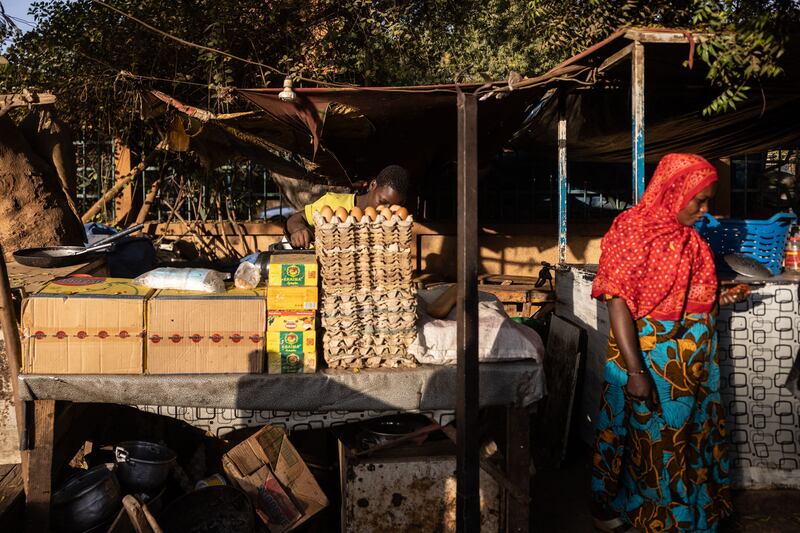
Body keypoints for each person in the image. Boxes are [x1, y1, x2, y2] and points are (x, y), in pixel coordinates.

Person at [589, 154, 745, 533]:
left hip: (693, 370)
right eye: (700, 200)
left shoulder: (688, 239)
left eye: (708, 200)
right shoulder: (632, 231)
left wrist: (723, 296)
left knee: (689, 441)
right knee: (654, 444)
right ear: (674, 192)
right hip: (652, 362)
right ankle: (657, 518)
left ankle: (691, 513)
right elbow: (618, 300)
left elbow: (684, 295)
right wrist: (636, 370)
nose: (704, 210)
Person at [286, 164, 410, 249]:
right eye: (382, 201)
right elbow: (297, 217)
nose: (386, 209)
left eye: (393, 207)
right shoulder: (333, 202)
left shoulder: (391, 223)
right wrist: (298, 230)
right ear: (373, 185)